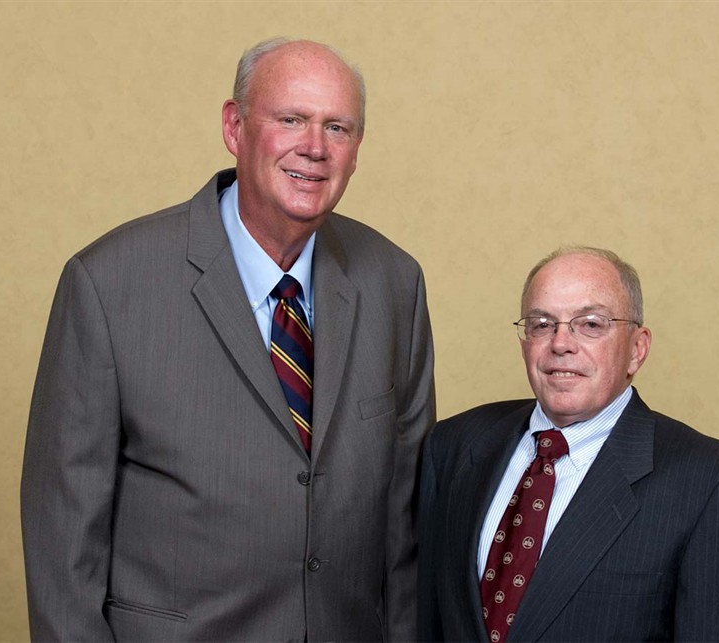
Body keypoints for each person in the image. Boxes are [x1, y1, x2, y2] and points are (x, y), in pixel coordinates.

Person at [21, 38, 434, 641]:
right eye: (290, 119)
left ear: (356, 149)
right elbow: (63, 545)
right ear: (235, 127)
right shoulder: (108, 284)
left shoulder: (396, 284)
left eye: (337, 127)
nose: (314, 148)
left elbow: (406, 527)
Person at [418, 247, 719, 642]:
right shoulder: (454, 445)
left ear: (637, 349)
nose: (561, 343)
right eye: (541, 324)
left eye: (590, 324)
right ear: (525, 343)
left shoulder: (715, 484)